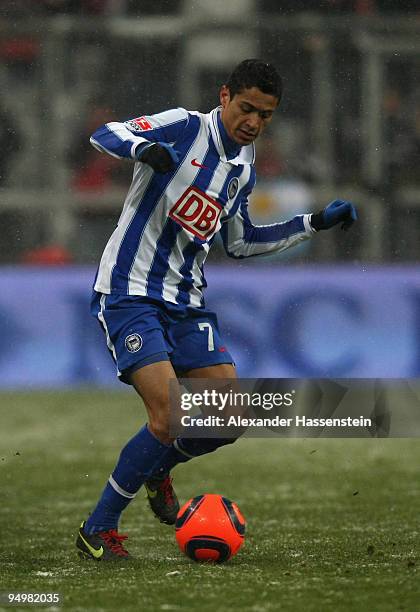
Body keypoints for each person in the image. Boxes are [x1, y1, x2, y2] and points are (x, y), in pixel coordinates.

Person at [76, 59, 357, 560]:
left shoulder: (242, 168)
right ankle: (97, 528)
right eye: (246, 108)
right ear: (225, 96)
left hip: (186, 301)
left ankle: (157, 469)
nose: (253, 121)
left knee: (227, 416)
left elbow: (242, 242)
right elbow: (105, 133)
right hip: (131, 290)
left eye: (265, 115)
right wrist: (143, 148)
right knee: (168, 416)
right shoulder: (185, 126)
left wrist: (313, 223)